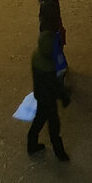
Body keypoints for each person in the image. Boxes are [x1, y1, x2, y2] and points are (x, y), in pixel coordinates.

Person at [26, 30, 70, 161]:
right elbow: (55, 85)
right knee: (54, 125)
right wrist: (64, 97)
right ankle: (59, 152)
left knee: (39, 119)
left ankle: (31, 143)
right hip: (49, 99)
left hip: (40, 95)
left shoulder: (36, 56)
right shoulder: (49, 67)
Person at [38, 0, 67, 83]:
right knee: (56, 52)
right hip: (53, 34)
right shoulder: (52, 6)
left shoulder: (46, 5)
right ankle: (58, 74)